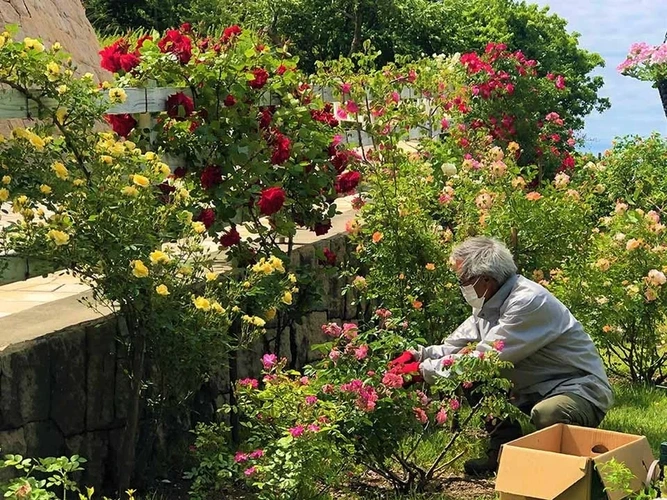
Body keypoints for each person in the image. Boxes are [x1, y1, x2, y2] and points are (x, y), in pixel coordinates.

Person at [390, 236, 613, 476]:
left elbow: (483, 359)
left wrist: (422, 372)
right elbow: (456, 345)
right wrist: (417, 355)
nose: (461, 286)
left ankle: (559, 471)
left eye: (464, 280)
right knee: (474, 380)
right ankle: (502, 452)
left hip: (577, 389)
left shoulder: (528, 301)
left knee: (549, 413)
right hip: (532, 388)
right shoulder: (489, 302)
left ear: (485, 279)